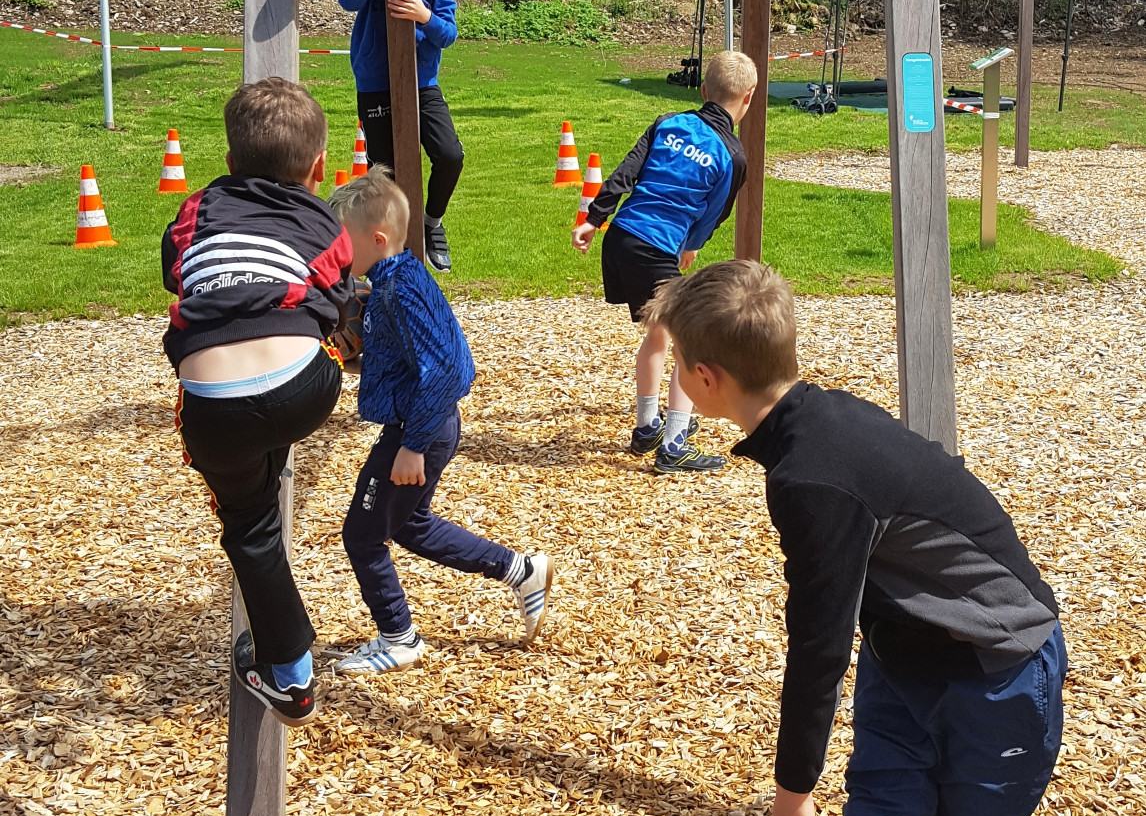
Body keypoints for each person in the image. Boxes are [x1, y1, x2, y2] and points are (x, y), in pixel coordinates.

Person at [648, 257, 1070, 816]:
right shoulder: (806, 428)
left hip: (1002, 670)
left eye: (677, 360)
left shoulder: (813, 475)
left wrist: (791, 791)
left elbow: (817, 645)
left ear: (705, 379)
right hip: (903, 666)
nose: (675, 372)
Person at [162, 78, 359, 725]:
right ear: (319, 168)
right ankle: (289, 675)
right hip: (304, 387)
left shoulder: (196, 210)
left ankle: (292, 677)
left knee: (250, 526)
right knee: (310, 346)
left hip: (213, 403)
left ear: (228, 163)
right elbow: (336, 295)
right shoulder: (324, 221)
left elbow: (175, 271)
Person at [331, 169, 554, 671]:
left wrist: (413, 445)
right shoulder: (395, 281)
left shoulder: (400, 292)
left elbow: (449, 368)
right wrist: (359, 363)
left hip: (419, 430)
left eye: (344, 240)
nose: (338, 251)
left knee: (363, 536)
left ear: (377, 239)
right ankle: (521, 571)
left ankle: (399, 638)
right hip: (425, 423)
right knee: (409, 524)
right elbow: (413, 360)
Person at [572, 50, 756, 475]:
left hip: (620, 239)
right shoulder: (732, 156)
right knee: (692, 345)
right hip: (655, 250)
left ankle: (646, 427)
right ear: (748, 97)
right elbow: (714, 213)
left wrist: (594, 219)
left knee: (659, 333)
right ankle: (673, 444)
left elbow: (626, 172)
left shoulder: (668, 123)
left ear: (704, 90)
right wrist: (691, 245)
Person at [338, 0, 462, 275]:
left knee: (450, 155)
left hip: (422, 82)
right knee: (385, 172)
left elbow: (449, 34)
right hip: (375, 83)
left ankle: (431, 224)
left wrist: (424, 16)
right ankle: (391, 253)